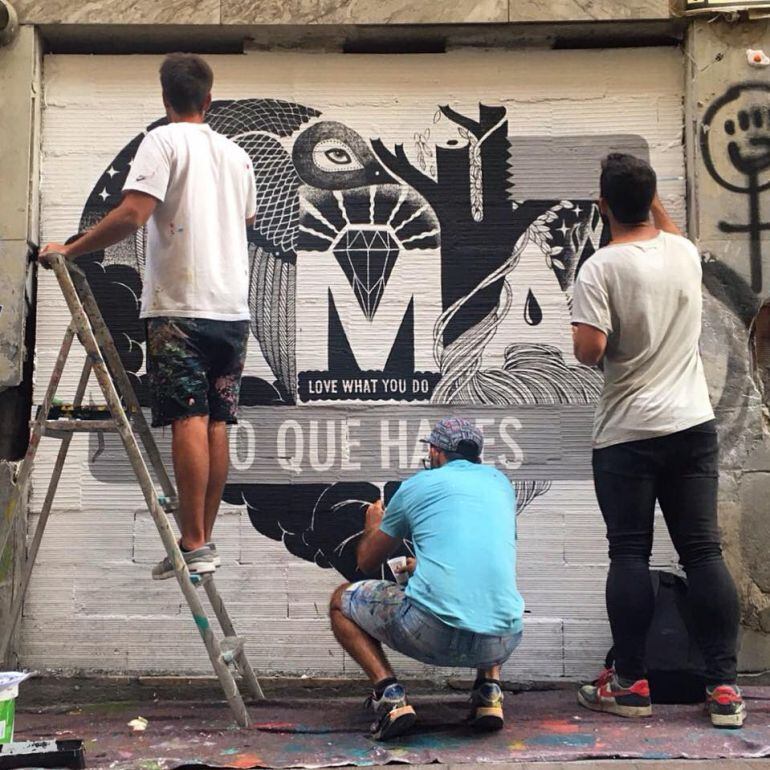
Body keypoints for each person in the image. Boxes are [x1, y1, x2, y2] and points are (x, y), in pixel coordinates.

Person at [41, 53, 257, 580]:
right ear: (208, 99)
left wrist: (72, 249)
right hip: (232, 309)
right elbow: (245, 217)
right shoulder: (237, 156)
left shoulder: (162, 141)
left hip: (181, 307)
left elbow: (134, 214)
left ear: (165, 99)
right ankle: (201, 541)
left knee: (189, 416)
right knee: (218, 420)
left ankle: (194, 541)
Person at [571, 153, 745, 728]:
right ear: (651, 200)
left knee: (629, 553)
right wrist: (646, 199)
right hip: (692, 426)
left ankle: (630, 683)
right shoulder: (684, 253)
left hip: (627, 433)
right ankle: (723, 690)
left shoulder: (600, 268)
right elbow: (665, 229)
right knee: (703, 551)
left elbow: (590, 351)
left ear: (602, 205)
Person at [329, 417, 524, 740]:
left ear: (435, 451)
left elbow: (366, 561)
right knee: (489, 590)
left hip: (432, 633)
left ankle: (390, 696)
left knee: (340, 601)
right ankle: (489, 692)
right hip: (502, 641)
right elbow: (480, 552)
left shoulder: (417, 486)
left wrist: (372, 524)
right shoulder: (500, 484)